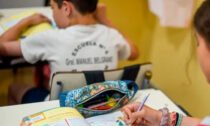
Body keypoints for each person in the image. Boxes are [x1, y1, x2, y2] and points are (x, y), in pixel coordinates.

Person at [0, 0, 139, 104]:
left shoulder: (52, 37)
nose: (52, 15)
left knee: (14, 87)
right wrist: (105, 20)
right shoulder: (111, 35)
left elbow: (3, 47)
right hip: (103, 104)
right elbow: (134, 53)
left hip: (61, 108)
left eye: (53, 8)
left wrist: (25, 21)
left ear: (66, 8)